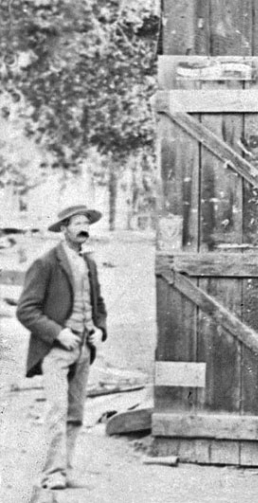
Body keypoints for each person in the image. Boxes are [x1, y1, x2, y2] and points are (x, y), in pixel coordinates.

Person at [16, 205, 108, 491]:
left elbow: (98, 304)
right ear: (64, 228)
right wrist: (58, 333)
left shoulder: (89, 262)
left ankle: (65, 470)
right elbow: (26, 310)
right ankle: (51, 473)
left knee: (76, 414)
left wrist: (100, 330)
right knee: (57, 411)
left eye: (87, 224)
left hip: (83, 349)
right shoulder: (46, 263)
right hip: (56, 350)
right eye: (78, 223)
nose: (84, 228)